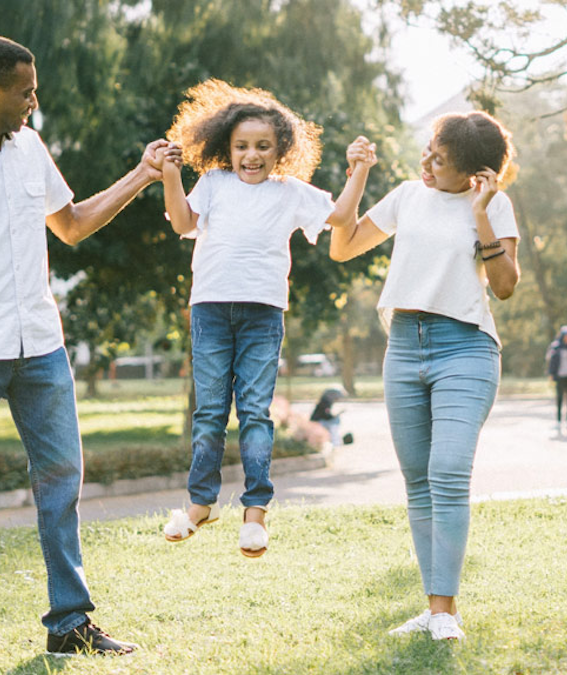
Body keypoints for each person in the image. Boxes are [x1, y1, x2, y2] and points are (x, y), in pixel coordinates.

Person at [0, 36, 181, 673]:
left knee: (62, 483)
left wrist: (142, 174)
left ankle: (69, 623)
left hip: (40, 348)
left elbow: (71, 223)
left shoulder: (29, 148)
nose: (34, 99)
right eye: (25, 89)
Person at [157, 79, 374, 558]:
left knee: (255, 411)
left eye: (262, 147)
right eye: (241, 147)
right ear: (226, 148)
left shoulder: (290, 192)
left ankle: (256, 513)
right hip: (211, 309)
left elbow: (339, 216)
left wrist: (358, 171)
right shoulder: (214, 183)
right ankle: (201, 504)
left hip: (262, 314)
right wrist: (171, 176)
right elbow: (182, 223)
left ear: (282, 150)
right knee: (210, 412)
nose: (251, 156)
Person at [329, 110, 519, 641]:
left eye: (442, 160)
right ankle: (435, 609)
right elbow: (341, 247)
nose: (428, 163)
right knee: (419, 484)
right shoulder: (409, 195)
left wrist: (480, 213)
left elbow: (504, 286)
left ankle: (444, 612)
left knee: (448, 471)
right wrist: (358, 175)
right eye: (429, 151)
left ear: (476, 174)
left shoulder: (494, 203)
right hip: (404, 348)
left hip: (466, 348)